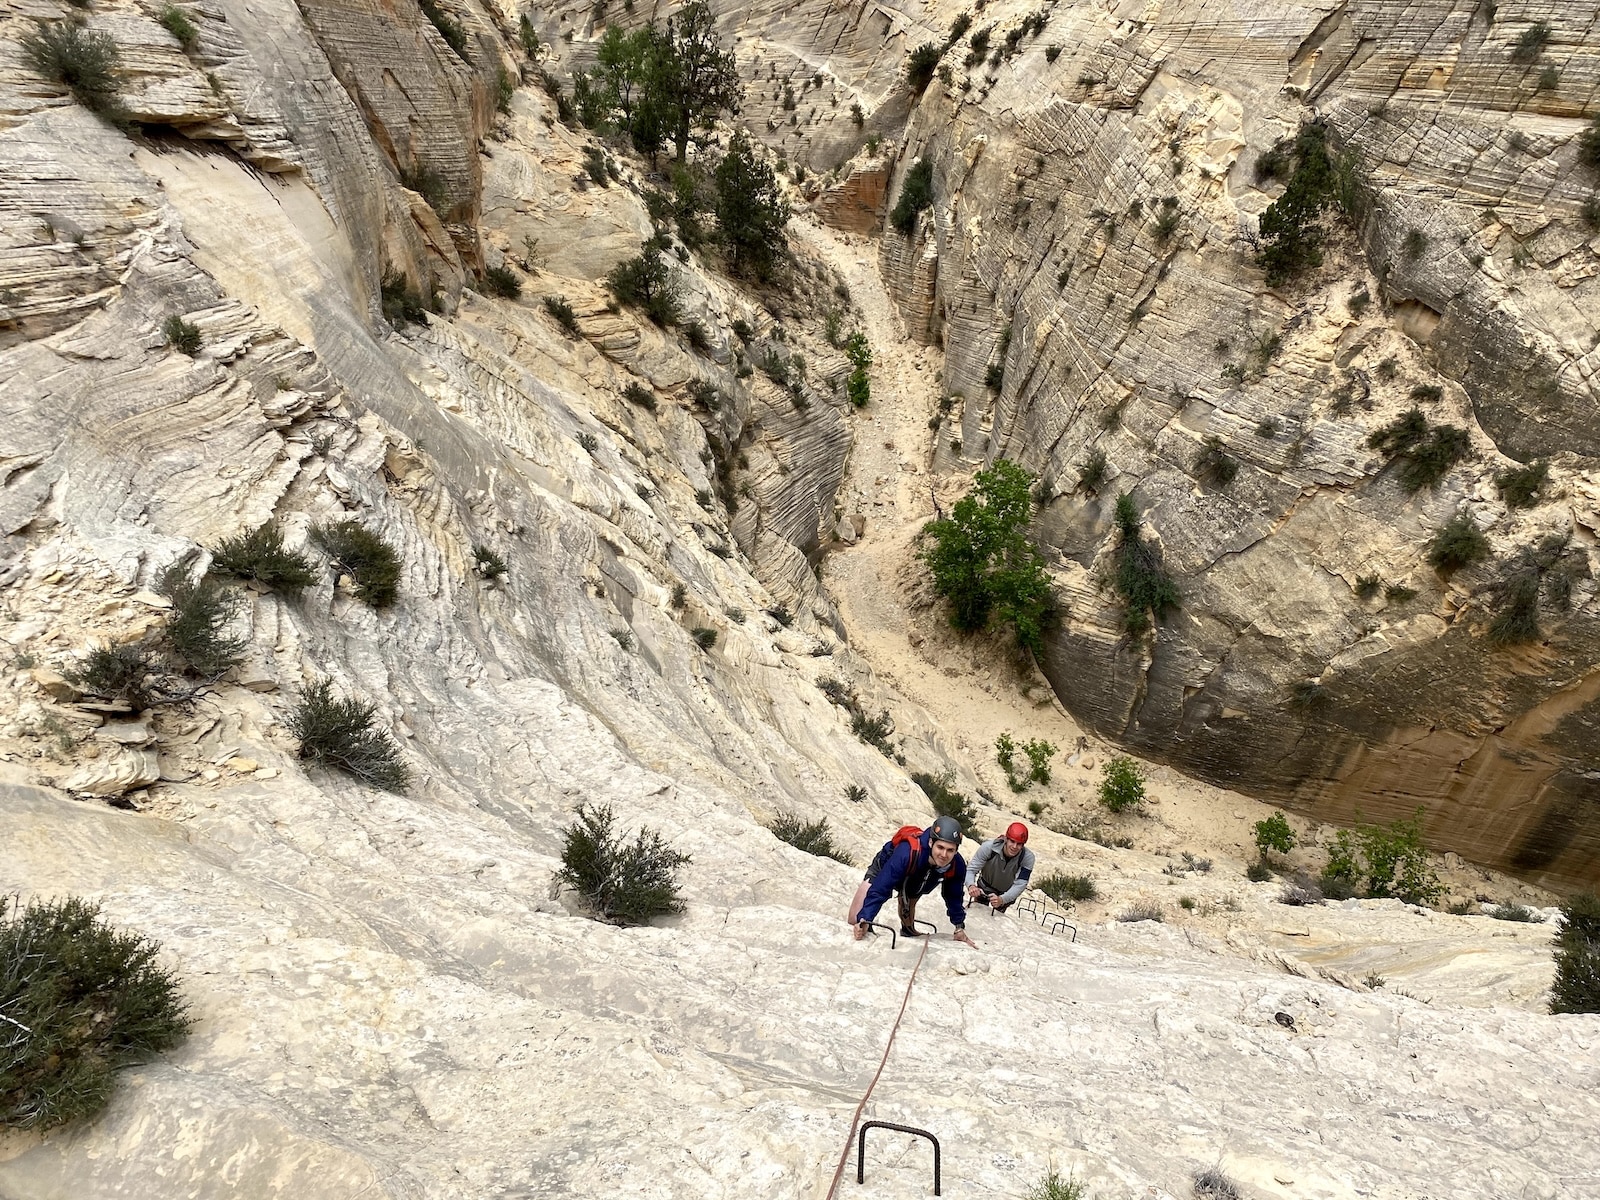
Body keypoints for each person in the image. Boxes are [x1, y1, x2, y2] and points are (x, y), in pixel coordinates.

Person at [848, 816, 975, 944]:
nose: (944, 855)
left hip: (919, 878)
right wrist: (865, 918)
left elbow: (954, 895)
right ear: (931, 843)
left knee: (911, 897)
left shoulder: (956, 864)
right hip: (885, 869)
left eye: (950, 850)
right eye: (940, 847)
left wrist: (959, 926)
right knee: (854, 920)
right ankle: (866, 921)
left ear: (956, 850)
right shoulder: (907, 852)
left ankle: (908, 929)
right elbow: (881, 887)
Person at [965, 822, 1035, 913]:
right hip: (984, 886)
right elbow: (971, 869)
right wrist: (971, 885)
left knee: (996, 919)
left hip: (1006, 892)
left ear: (1023, 845)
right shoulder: (988, 848)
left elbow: (1020, 884)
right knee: (977, 911)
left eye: (1019, 844)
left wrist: (1002, 899)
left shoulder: (1027, 858)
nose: (1014, 847)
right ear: (1006, 839)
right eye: (1012, 841)